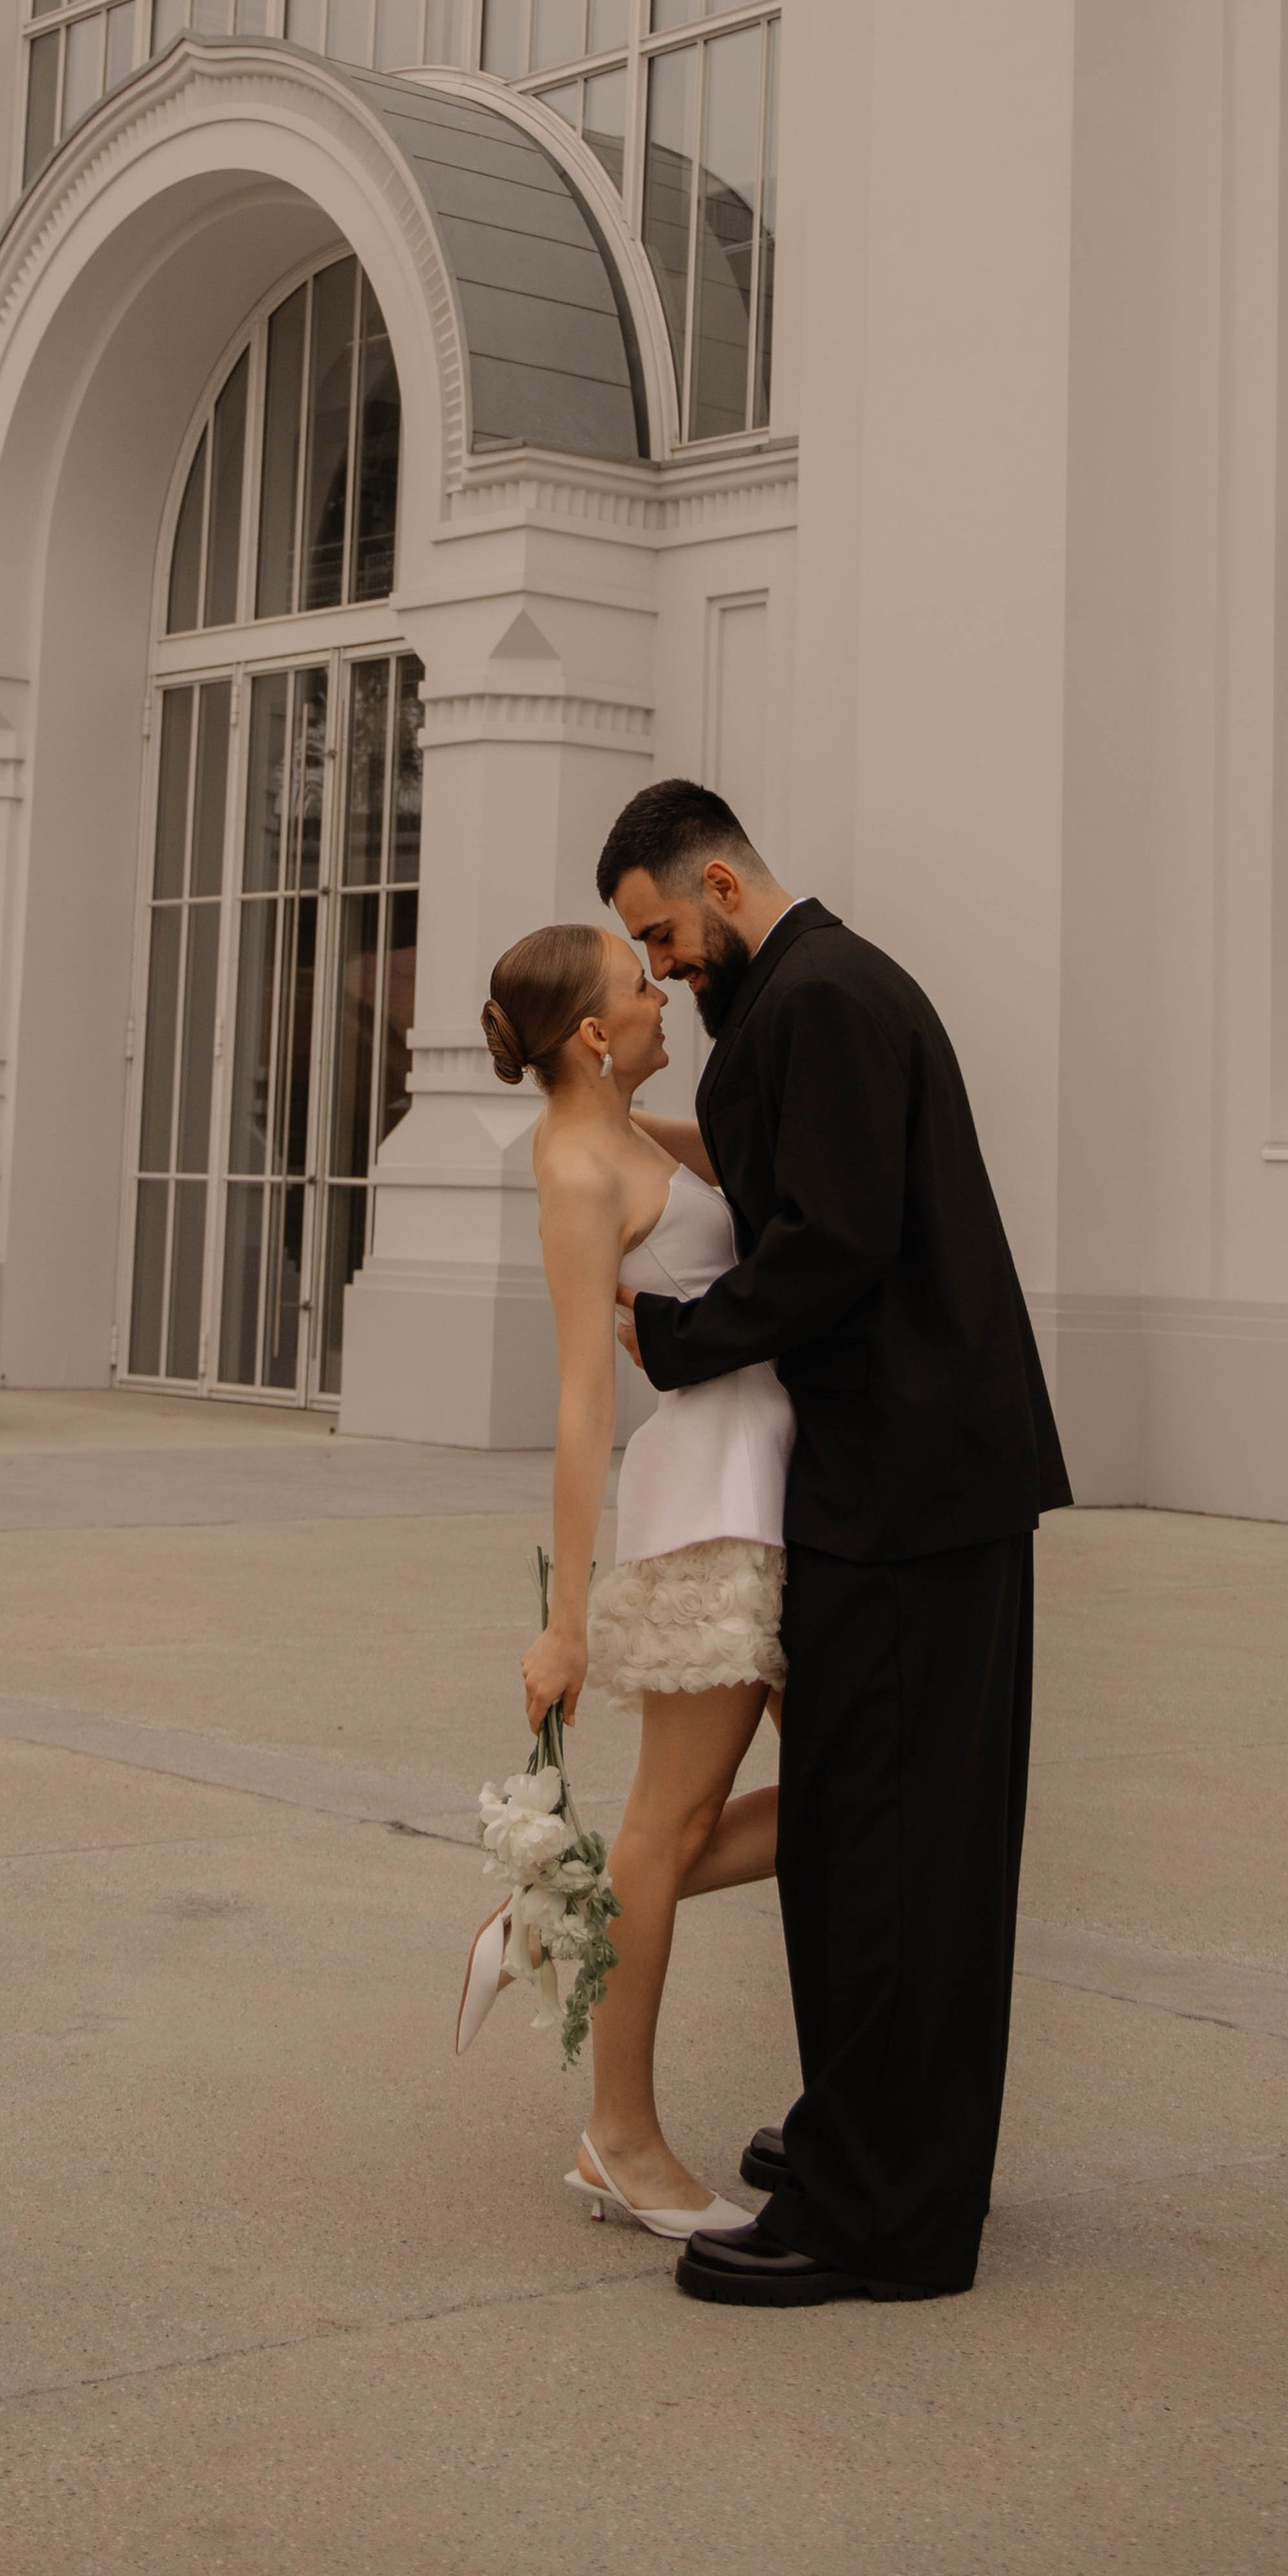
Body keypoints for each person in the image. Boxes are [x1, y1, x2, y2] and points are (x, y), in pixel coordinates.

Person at [597, 779, 1073, 2307]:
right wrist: (612, 1123)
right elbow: (792, 1178)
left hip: (908, 1493)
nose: (662, 966)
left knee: (886, 1852)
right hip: (912, 1485)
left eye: (662, 933)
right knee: (879, 1842)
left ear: (722, 884)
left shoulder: (818, 1000)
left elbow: (834, 1244)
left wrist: (678, 1337)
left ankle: (881, 2218)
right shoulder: (816, 992)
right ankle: (874, 2147)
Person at [454, 920, 789, 2244]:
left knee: (845, 1805)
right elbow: (584, 1401)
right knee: (668, 1824)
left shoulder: (624, 1129)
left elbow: (736, 1170)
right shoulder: (576, 1166)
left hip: (769, 1480)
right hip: (710, 1505)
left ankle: (558, 1917)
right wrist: (565, 1624)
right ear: (596, 1032)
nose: (665, 995)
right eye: (641, 985)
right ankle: (621, 2138)